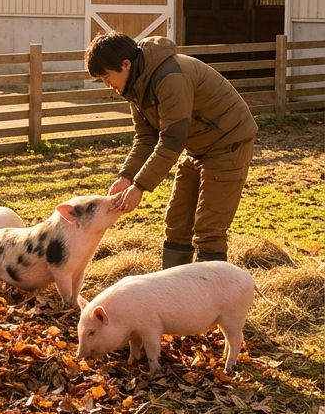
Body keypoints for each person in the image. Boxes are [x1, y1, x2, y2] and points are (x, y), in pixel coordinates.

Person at [85, 31, 257, 268]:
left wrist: (140, 186)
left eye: (106, 76)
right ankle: (175, 291)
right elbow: (146, 137)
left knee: (208, 230)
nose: (106, 84)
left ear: (125, 64)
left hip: (228, 143)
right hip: (197, 147)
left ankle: (211, 297)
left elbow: (172, 140)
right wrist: (126, 177)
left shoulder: (170, 77)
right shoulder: (135, 85)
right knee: (176, 223)